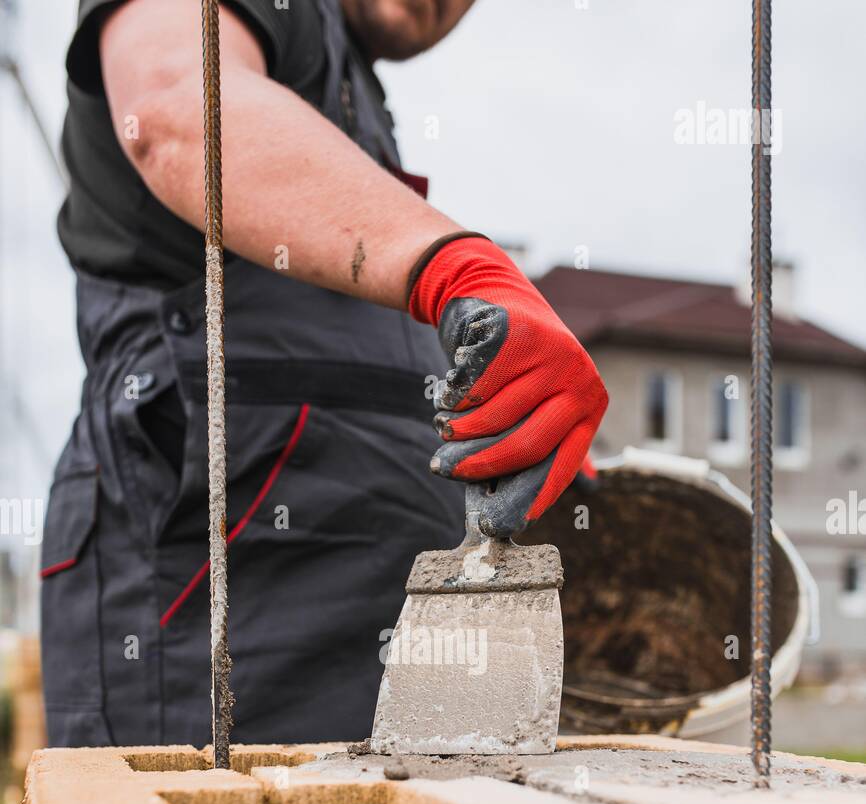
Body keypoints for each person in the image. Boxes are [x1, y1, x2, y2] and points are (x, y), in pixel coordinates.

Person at [44, 0, 607, 747]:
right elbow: (177, 105)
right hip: (202, 631)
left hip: (369, 655)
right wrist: (452, 265)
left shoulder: (354, 90)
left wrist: (510, 415)